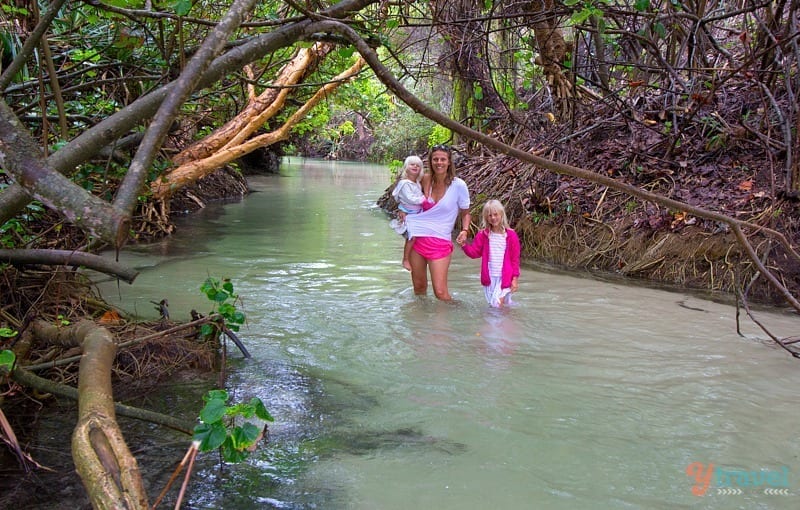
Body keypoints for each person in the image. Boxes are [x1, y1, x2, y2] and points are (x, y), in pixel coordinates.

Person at [404, 145, 471, 301]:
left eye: (442, 159)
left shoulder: (459, 185)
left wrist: (465, 230)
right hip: (417, 240)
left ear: (449, 162)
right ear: (430, 161)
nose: (439, 162)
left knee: (440, 293)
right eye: (435, 159)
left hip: (440, 241)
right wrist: (403, 210)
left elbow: (466, 213)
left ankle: (454, 317)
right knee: (419, 288)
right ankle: (420, 323)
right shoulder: (424, 180)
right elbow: (406, 192)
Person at [458, 199, 520, 307]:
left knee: (496, 304)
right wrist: (464, 245)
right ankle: (507, 323)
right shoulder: (483, 235)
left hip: (505, 276)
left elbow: (515, 259)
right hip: (490, 277)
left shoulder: (511, 235)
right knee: (499, 306)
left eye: (496, 214)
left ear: (501, 214)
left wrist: (514, 279)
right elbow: (474, 253)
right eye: (490, 215)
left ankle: (493, 323)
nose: (493, 218)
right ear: (486, 217)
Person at [390, 155, 433, 270]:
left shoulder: (417, 183)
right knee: (411, 237)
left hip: (417, 212)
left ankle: (420, 256)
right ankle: (405, 259)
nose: (415, 166)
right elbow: (410, 198)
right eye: (412, 164)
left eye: (418, 165)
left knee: (419, 236)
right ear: (406, 167)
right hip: (409, 213)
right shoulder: (404, 183)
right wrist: (424, 199)